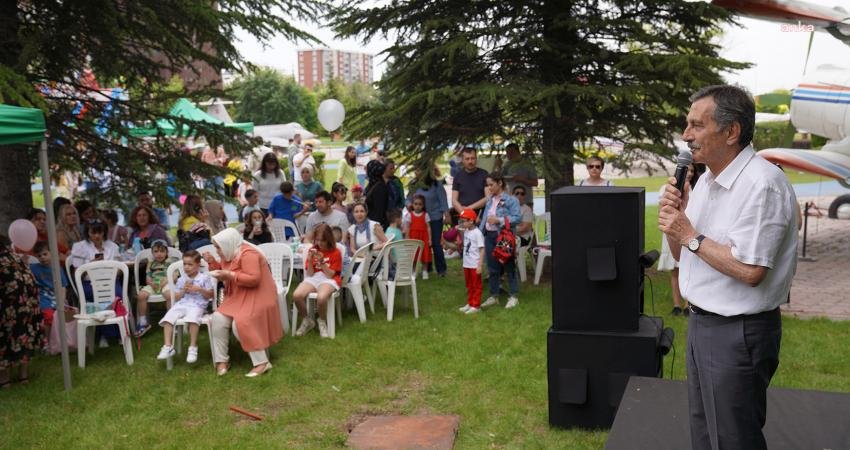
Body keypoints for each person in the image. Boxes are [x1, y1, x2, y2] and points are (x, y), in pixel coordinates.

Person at [658, 85, 798, 450]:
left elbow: (751, 271)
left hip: (738, 333)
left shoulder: (762, 184)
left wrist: (689, 234)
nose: (686, 135)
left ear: (731, 131)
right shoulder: (705, 181)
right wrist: (678, 220)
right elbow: (682, 252)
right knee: (706, 433)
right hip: (702, 322)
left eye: (696, 125)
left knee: (734, 439)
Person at [204, 228, 282, 377]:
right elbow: (223, 271)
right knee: (218, 319)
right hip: (237, 297)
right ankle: (222, 360)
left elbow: (254, 279)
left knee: (241, 322)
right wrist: (212, 263)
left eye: (218, 247)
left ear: (228, 243)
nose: (217, 250)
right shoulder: (229, 253)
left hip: (259, 295)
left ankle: (262, 362)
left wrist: (230, 275)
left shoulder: (248, 255)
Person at [156, 250, 216, 364]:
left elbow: (211, 295)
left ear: (198, 265)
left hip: (197, 305)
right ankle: (168, 346)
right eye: (184, 264)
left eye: (190, 264)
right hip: (183, 304)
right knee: (168, 318)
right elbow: (177, 297)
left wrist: (199, 289)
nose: (186, 267)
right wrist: (184, 290)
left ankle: (193, 347)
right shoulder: (182, 279)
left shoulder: (204, 278)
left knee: (193, 319)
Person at [657, 164, 701, 316]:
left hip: (689, 233)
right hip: (671, 235)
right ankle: (677, 304)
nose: (689, 173)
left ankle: (688, 304)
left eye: (691, 171)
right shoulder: (667, 189)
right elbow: (662, 213)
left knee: (688, 268)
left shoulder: (697, 188)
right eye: (686, 170)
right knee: (675, 271)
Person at [0, 235, 43, 388]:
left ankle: (4, 379)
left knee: (4, 338)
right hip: (29, 304)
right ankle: (23, 376)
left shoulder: (4, 261)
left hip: (10, 306)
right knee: (24, 336)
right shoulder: (15, 258)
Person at [292, 224, 343, 339]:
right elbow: (309, 274)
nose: (319, 243)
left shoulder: (336, 252)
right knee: (297, 295)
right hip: (314, 277)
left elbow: (330, 275)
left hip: (329, 279)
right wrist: (310, 260)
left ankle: (322, 321)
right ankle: (307, 320)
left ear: (328, 239)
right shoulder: (313, 249)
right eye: (317, 240)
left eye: (323, 240)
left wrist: (322, 262)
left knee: (321, 297)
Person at [479, 174, 521, 309]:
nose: (489, 187)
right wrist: (480, 235)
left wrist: (499, 220)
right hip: (489, 236)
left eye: (491, 184)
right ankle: (494, 295)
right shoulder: (490, 200)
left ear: (500, 183)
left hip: (503, 237)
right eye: (488, 185)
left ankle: (514, 296)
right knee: (492, 268)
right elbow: (485, 218)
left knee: (508, 265)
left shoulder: (511, 200)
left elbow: (517, 218)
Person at [408, 166, 450, 277]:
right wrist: (409, 205)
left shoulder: (436, 185)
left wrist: (446, 214)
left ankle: (441, 270)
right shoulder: (413, 184)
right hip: (420, 219)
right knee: (424, 244)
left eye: (419, 169)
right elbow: (408, 199)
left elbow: (443, 200)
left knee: (435, 243)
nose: (417, 172)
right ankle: (427, 268)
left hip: (435, 218)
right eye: (415, 170)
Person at [135, 239, 179, 337]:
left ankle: (170, 320)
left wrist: (166, 281)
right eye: (156, 251)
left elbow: (175, 276)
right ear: (152, 253)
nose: (159, 254)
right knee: (141, 296)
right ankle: (143, 322)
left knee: (169, 295)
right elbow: (148, 277)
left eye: (162, 251)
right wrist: (150, 283)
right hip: (154, 285)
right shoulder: (151, 264)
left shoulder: (171, 262)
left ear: (167, 252)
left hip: (166, 283)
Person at [29, 241, 69, 341]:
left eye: (45, 254)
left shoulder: (57, 268)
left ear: (51, 253)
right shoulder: (34, 268)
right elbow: (23, 268)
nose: (42, 257)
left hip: (57, 297)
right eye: (39, 256)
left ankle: (63, 340)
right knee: (48, 317)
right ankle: (48, 341)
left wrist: (62, 300)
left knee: (66, 317)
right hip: (44, 298)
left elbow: (63, 286)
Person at [457, 209, 485, 314]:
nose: (462, 223)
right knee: (469, 284)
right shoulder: (467, 231)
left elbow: (482, 249)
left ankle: (476, 305)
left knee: (476, 285)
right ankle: (470, 303)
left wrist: (479, 265)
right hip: (467, 264)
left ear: (471, 221)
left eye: (464, 221)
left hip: (474, 264)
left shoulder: (477, 233)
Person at [451, 147, 488, 225]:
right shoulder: (458, 176)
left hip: (480, 216)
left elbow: (488, 198)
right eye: (467, 159)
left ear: (476, 159)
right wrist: (465, 214)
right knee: (463, 237)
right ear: (463, 160)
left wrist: (470, 208)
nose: (470, 161)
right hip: (462, 216)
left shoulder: (484, 174)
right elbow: (454, 201)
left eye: (472, 158)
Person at [403, 194, 433, 279]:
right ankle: (413, 271)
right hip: (413, 238)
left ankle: (425, 271)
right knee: (414, 255)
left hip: (424, 238)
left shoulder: (425, 215)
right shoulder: (409, 215)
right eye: (415, 204)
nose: (417, 206)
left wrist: (430, 239)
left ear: (423, 205)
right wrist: (407, 237)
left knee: (425, 254)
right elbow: (407, 227)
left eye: (420, 204)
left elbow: (428, 227)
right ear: (412, 204)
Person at [364, 160, 390, 229]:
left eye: (367, 170)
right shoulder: (373, 183)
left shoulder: (379, 188)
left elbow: (379, 212)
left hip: (376, 226)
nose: (366, 172)